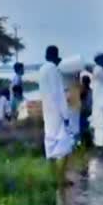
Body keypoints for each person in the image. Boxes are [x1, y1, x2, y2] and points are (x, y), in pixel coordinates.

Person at [38, 45, 74, 183]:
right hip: (57, 113)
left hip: (47, 111)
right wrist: (65, 116)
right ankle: (60, 178)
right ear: (55, 56)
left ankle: (54, 176)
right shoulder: (53, 70)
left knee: (50, 145)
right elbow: (58, 94)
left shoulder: (42, 69)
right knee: (66, 147)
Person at [80, 74, 93, 147]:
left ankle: (84, 143)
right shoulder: (91, 91)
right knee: (86, 127)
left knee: (82, 128)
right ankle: (88, 142)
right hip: (89, 111)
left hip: (83, 111)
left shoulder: (83, 91)